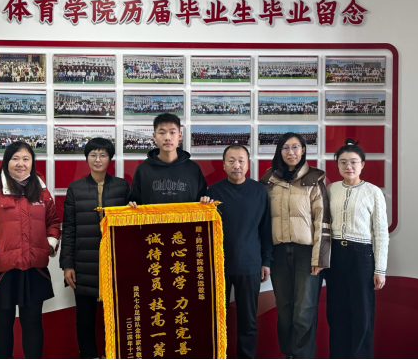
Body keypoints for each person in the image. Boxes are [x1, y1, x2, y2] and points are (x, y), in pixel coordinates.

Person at [0, 141, 61, 360]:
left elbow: (53, 222)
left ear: (32, 163)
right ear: (6, 162)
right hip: (1, 269)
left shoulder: (42, 193)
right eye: (15, 158)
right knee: (2, 323)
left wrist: (49, 244)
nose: (21, 164)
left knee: (33, 322)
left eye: (26, 159)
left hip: (34, 268)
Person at [259, 132, 331, 360]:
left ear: (303, 150)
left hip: (306, 254)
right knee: (284, 310)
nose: (290, 152)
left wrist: (320, 258)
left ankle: (303, 356)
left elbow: (323, 221)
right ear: (279, 151)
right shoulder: (269, 180)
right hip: (278, 253)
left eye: (295, 147)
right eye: (285, 147)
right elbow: (261, 220)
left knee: (304, 311)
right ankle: (288, 354)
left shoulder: (315, 179)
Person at [60, 138, 130, 360]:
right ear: (87, 158)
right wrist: (67, 265)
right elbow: (69, 228)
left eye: (103, 155)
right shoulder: (75, 188)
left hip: (115, 263)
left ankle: (112, 354)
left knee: (115, 317)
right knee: (85, 319)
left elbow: (131, 227)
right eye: (93, 155)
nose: (98, 159)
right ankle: (88, 355)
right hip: (83, 263)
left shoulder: (122, 186)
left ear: (110, 159)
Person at [207, 145, 273, 360]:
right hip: (218, 266)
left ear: (247, 164)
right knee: (217, 320)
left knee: (248, 322)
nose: (236, 165)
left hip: (250, 265)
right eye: (231, 161)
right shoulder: (212, 192)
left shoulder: (259, 191)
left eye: (241, 161)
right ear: (223, 164)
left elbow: (265, 229)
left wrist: (266, 261)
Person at [326, 139, 389, 359]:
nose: (348, 166)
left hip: (362, 256)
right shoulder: (331, 189)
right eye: (343, 162)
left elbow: (381, 233)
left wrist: (380, 269)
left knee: (362, 313)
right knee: (336, 312)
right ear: (337, 165)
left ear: (362, 164)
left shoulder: (373, 192)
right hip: (335, 255)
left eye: (353, 162)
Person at [128, 113, 208, 207]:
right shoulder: (143, 170)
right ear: (154, 136)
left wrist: (205, 201)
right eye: (162, 133)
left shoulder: (193, 169)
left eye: (172, 132)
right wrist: (130, 205)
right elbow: (134, 203)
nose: (167, 138)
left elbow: (202, 203)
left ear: (180, 136)